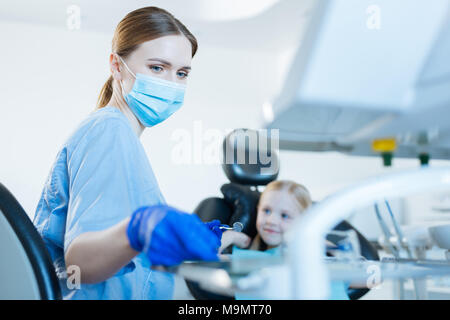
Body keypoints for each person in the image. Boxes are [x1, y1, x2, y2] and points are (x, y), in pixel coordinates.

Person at [33, 7, 222, 300]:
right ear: (117, 66)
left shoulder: (118, 135)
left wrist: (178, 241)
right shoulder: (109, 129)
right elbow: (79, 264)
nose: (171, 83)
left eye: (182, 73)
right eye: (157, 68)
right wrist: (140, 228)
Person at [219, 180, 350, 300]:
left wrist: (326, 245)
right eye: (266, 211)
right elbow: (205, 257)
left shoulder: (318, 260)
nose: (271, 221)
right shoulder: (249, 260)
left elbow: (366, 274)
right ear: (258, 210)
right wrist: (233, 236)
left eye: (284, 215)